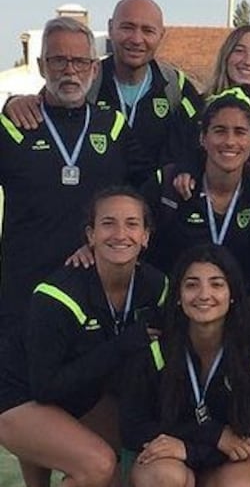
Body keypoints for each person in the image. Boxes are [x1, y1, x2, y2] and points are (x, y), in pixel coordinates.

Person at [0, 188, 167, 487]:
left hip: (79, 392)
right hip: (21, 397)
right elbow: (45, 387)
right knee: (97, 465)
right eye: (107, 223)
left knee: (127, 464)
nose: (120, 234)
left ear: (146, 236)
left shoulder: (155, 286)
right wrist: (122, 345)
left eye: (131, 224)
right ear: (90, 235)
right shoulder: (57, 295)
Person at [0, 16, 152, 330]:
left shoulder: (113, 127)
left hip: (95, 292)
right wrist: (9, 104)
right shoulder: (14, 126)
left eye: (80, 61)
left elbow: (146, 196)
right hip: (24, 294)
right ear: (42, 66)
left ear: (94, 68)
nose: (70, 70)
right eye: (59, 60)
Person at [122, 244, 250, 487]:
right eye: (192, 284)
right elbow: (132, 427)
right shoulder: (154, 347)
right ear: (177, 295)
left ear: (232, 295)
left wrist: (194, 450)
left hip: (223, 461)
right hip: (168, 458)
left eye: (217, 284)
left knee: (241, 483)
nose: (204, 294)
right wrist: (212, 435)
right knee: (165, 477)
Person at [3, 0, 204, 165]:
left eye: (147, 30)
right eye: (127, 27)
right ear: (110, 28)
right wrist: (13, 104)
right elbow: (44, 111)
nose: (136, 39)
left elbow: (210, 128)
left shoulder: (175, 85)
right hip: (96, 204)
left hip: (156, 205)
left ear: (161, 35)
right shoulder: (86, 76)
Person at [140, 89, 250, 319]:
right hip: (174, 316)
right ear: (203, 138)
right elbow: (133, 229)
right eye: (219, 131)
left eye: (240, 132)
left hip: (235, 322)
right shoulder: (170, 184)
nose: (230, 141)